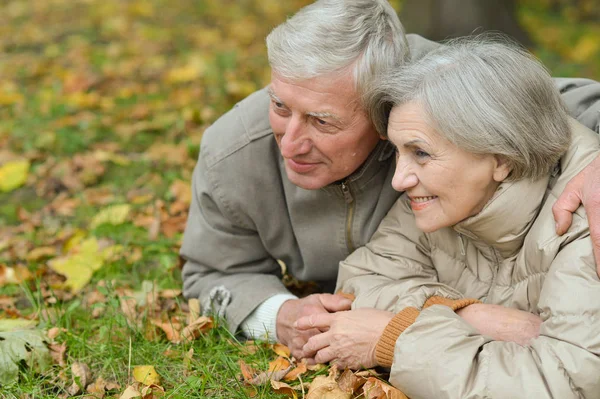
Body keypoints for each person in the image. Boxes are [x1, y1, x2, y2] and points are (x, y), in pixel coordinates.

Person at [180, 0, 600, 359]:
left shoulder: (430, 86)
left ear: (384, 108)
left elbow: (560, 103)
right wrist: (277, 315)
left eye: (322, 121)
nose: (289, 144)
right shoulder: (232, 153)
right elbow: (214, 271)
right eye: (279, 105)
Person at [297, 37, 600, 398]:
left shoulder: (584, 218)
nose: (399, 179)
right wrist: (466, 314)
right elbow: (362, 281)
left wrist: (394, 339)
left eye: (421, 153)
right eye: (398, 151)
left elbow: (564, 385)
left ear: (502, 158)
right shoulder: (439, 197)